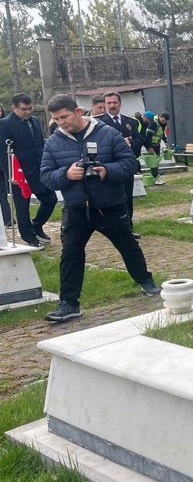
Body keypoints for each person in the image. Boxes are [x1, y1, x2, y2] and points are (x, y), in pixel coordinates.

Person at [40, 94, 161, 323]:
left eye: (64, 117)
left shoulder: (107, 133)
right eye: (56, 119)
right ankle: (69, 303)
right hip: (76, 208)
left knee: (127, 245)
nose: (61, 122)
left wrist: (107, 171)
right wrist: (66, 174)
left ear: (78, 112)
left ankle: (146, 280)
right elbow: (45, 176)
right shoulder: (53, 142)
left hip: (110, 205)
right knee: (70, 254)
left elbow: (129, 163)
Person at [0, 93, 56, 248]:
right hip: (19, 173)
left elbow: (40, 144)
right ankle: (28, 236)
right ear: (14, 108)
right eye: (24, 109)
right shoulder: (5, 124)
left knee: (50, 199)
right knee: (22, 207)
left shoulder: (35, 121)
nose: (28, 112)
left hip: (38, 170)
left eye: (30, 108)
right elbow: (3, 152)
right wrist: (11, 173)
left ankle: (36, 225)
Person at [100, 91, 144, 238]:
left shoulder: (130, 122)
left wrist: (130, 144)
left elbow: (139, 140)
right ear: (105, 104)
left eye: (115, 102)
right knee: (113, 198)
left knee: (127, 197)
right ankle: (112, 228)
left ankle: (128, 228)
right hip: (110, 167)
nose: (112, 105)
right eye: (109, 103)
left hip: (126, 166)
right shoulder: (100, 123)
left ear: (120, 103)